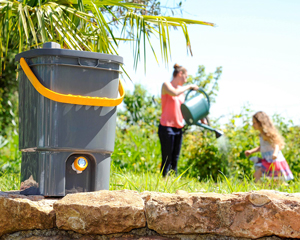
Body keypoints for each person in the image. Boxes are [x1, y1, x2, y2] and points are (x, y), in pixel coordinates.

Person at [158, 63, 199, 177]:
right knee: (167, 157)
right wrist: (189, 86)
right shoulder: (166, 85)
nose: (186, 80)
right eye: (185, 77)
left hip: (178, 127)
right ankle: (163, 181)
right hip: (166, 127)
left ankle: (173, 183)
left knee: (175, 158)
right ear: (180, 74)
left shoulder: (182, 92)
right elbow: (174, 93)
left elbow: (183, 110)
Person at [245, 111, 294, 182]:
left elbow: (276, 144)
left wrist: (275, 153)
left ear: (260, 123)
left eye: (254, 123)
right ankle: (260, 188)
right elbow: (263, 147)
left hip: (273, 160)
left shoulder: (267, 134)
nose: (253, 125)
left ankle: (258, 188)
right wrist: (251, 151)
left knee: (259, 175)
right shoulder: (261, 135)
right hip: (267, 160)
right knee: (273, 180)